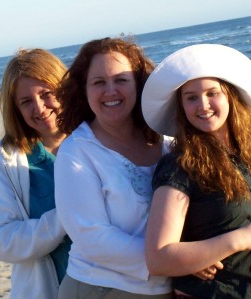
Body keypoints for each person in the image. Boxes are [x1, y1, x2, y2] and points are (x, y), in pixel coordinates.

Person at [142, 44, 251, 299]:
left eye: (211, 93)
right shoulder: (181, 166)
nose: (202, 104)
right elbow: (158, 258)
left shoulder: (249, 155)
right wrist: (236, 240)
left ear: (229, 96)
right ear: (181, 107)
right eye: (191, 97)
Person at [54, 37, 173, 298]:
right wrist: (175, 262)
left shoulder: (167, 140)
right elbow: (94, 238)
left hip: (167, 286)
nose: (111, 91)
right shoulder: (77, 152)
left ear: (139, 85)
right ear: (84, 91)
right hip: (101, 288)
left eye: (121, 79)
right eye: (98, 82)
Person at [0, 48, 72, 299]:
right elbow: (2, 241)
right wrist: (63, 219)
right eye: (26, 102)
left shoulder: (99, 141)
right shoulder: (9, 166)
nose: (40, 108)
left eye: (46, 94)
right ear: (16, 110)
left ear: (64, 88)